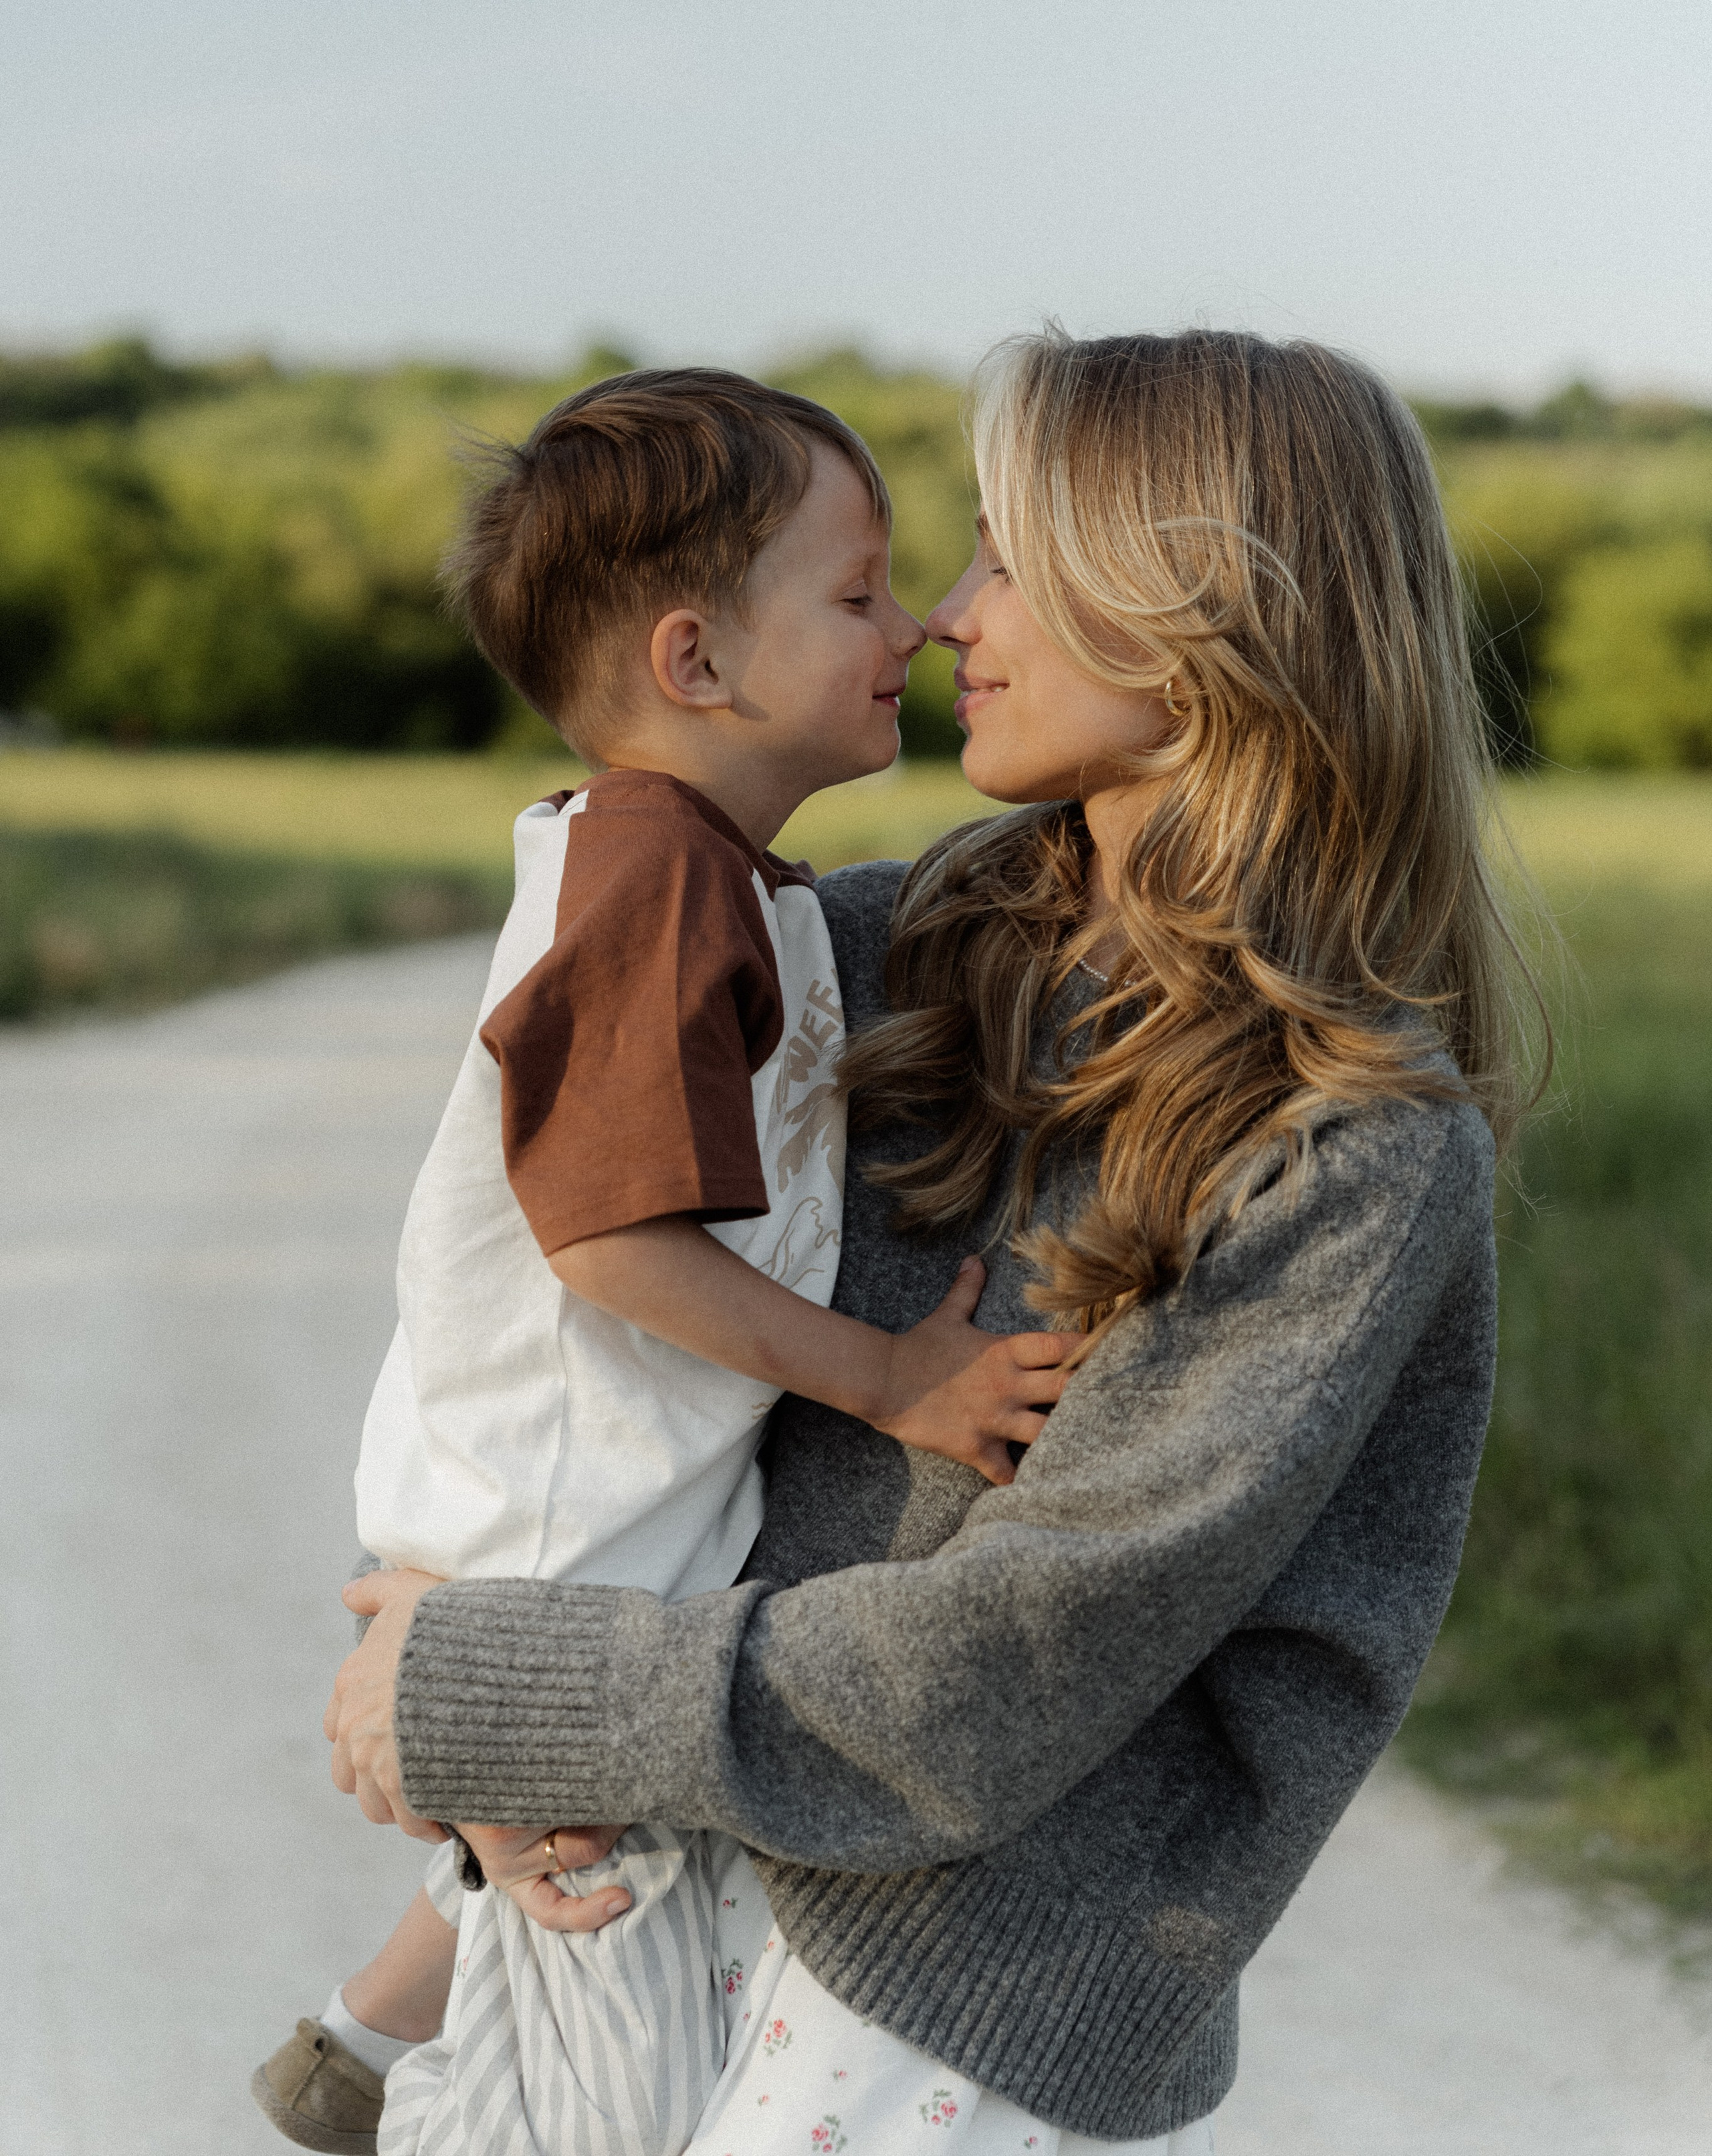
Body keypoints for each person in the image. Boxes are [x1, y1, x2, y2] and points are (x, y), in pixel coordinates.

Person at [324, 327, 1536, 2152]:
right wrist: (456, 1610)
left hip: (960, 1983)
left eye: (1007, 556)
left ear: (1197, 602)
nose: (955, 614)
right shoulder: (875, 949)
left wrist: (510, 1689)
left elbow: (1006, 1669)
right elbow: (545, 1285)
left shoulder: (1347, 1141)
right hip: (683, 1857)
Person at [252, 368, 1073, 2156]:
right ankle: (415, 2071)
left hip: (572, 1524)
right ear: (698, 663)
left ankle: (373, 2028)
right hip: (565, 1539)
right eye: (858, 596)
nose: (918, 627)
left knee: (582, 1971)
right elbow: (611, 1238)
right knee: (602, 2060)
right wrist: (893, 1380)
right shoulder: (658, 893)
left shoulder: (710, 874)